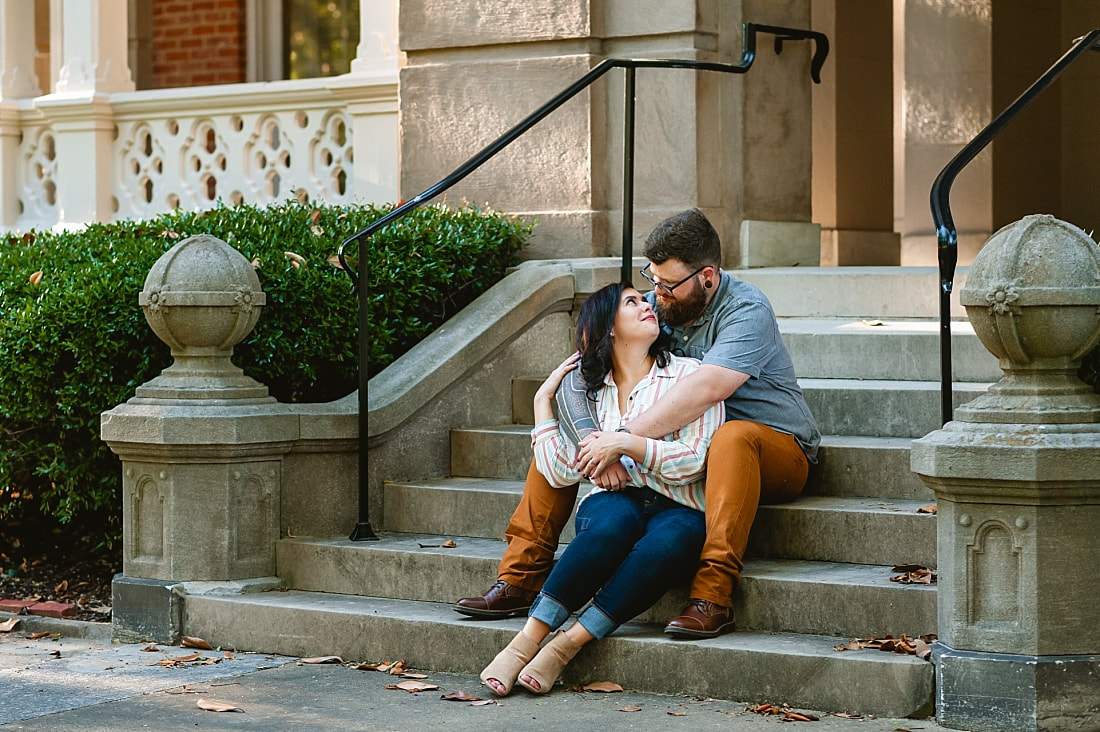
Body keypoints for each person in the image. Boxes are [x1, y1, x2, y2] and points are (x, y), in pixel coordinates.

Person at [455, 208, 820, 639]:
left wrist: (623, 438)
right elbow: (580, 373)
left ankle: (713, 597)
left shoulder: (746, 310)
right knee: (562, 446)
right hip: (683, 453)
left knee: (732, 436)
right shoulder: (658, 307)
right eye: (652, 279)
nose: (655, 294)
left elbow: (709, 388)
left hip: (775, 450)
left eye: (667, 285)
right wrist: (596, 441)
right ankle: (520, 577)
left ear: (706, 276)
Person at [478, 282, 724, 696]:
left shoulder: (690, 375)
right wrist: (543, 401)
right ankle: (525, 642)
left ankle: (566, 645)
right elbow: (558, 472)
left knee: (668, 543)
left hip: (679, 505)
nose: (647, 305)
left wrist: (626, 444)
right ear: (608, 328)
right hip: (614, 501)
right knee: (611, 527)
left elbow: (694, 460)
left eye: (645, 300)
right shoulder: (587, 394)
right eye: (632, 302)